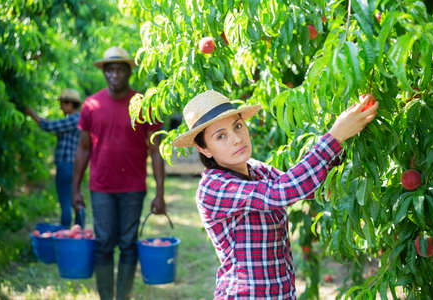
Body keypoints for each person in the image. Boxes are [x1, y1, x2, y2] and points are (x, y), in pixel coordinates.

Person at [172, 90, 378, 299]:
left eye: (238, 126)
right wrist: (335, 136)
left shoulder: (256, 170)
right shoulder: (213, 187)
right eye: (221, 136)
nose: (236, 139)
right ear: (204, 149)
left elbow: (308, 188)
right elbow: (282, 191)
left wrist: (349, 137)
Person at [72, 46, 166, 300]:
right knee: (103, 243)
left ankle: (122, 295)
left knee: (127, 243)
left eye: (120, 70)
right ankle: (105, 296)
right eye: (109, 70)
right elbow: (82, 149)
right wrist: (75, 189)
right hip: (101, 186)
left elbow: (156, 151)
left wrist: (160, 193)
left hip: (133, 186)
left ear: (128, 72)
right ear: (104, 72)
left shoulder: (143, 104)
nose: (114, 75)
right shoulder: (91, 104)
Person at [25, 89, 83, 228]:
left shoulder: (72, 120)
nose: (61, 107)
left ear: (70, 104)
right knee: (74, 198)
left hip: (66, 165)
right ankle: (78, 231)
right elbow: (54, 124)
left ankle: (64, 233)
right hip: (76, 166)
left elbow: (49, 126)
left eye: (62, 103)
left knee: (65, 201)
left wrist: (31, 113)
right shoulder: (78, 120)